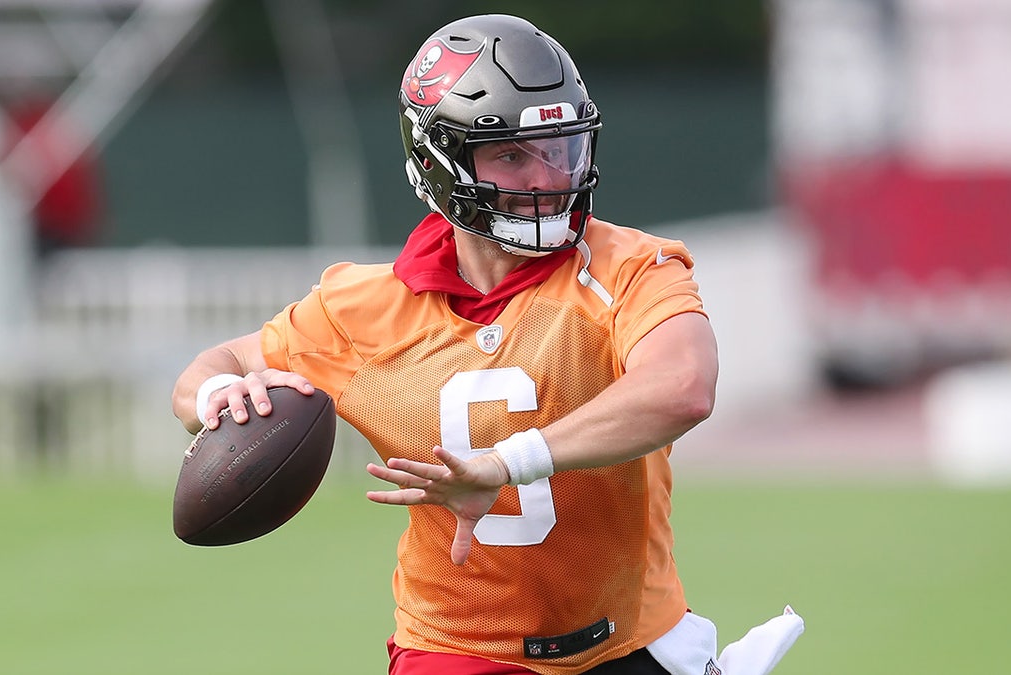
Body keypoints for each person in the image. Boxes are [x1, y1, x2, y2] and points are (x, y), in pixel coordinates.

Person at [172, 14, 801, 675]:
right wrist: (222, 393)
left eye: (558, 147)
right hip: (458, 647)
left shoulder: (629, 267)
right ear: (437, 163)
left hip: (627, 640)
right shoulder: (363, 307)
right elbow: (210, 370)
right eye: (509, 154)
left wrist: (507, 463)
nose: (546, 176)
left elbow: (683, 386)